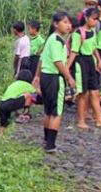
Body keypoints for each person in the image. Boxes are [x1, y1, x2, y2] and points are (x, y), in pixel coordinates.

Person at [33, 11, 77, 153]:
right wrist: (69, 78)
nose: (68, 25)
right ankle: (51, 145)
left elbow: (41, 59)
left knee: (48, 110)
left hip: (46, 76)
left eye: (69, 22)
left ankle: (46, 140)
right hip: (54, 78)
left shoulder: (50, 39)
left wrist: (37, 77)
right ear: (56, 24)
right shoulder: (57, 40)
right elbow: (58, 61)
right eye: (64, 22)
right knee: (56, 112)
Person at [67, 7, 101, 129]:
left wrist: (99, 61)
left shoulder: (92, 32)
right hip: (81, 62)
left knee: (95, 92)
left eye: (97, 19)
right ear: (86, 18)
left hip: (91, 61)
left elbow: (94, 48)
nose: (95, 22)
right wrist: (67, 68)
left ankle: (99, 118)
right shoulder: (78, 33)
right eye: (94, 19)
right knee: (83, 93)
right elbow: (74, 51)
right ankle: (81, 120)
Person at [0, 70, 37, 134]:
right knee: (28, 95)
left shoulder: (14, 84)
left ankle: (0, 138)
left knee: (3, 124)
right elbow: (36, 93)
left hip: (2, 104)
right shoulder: (27, 84)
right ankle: (25, 114)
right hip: (11, 103)